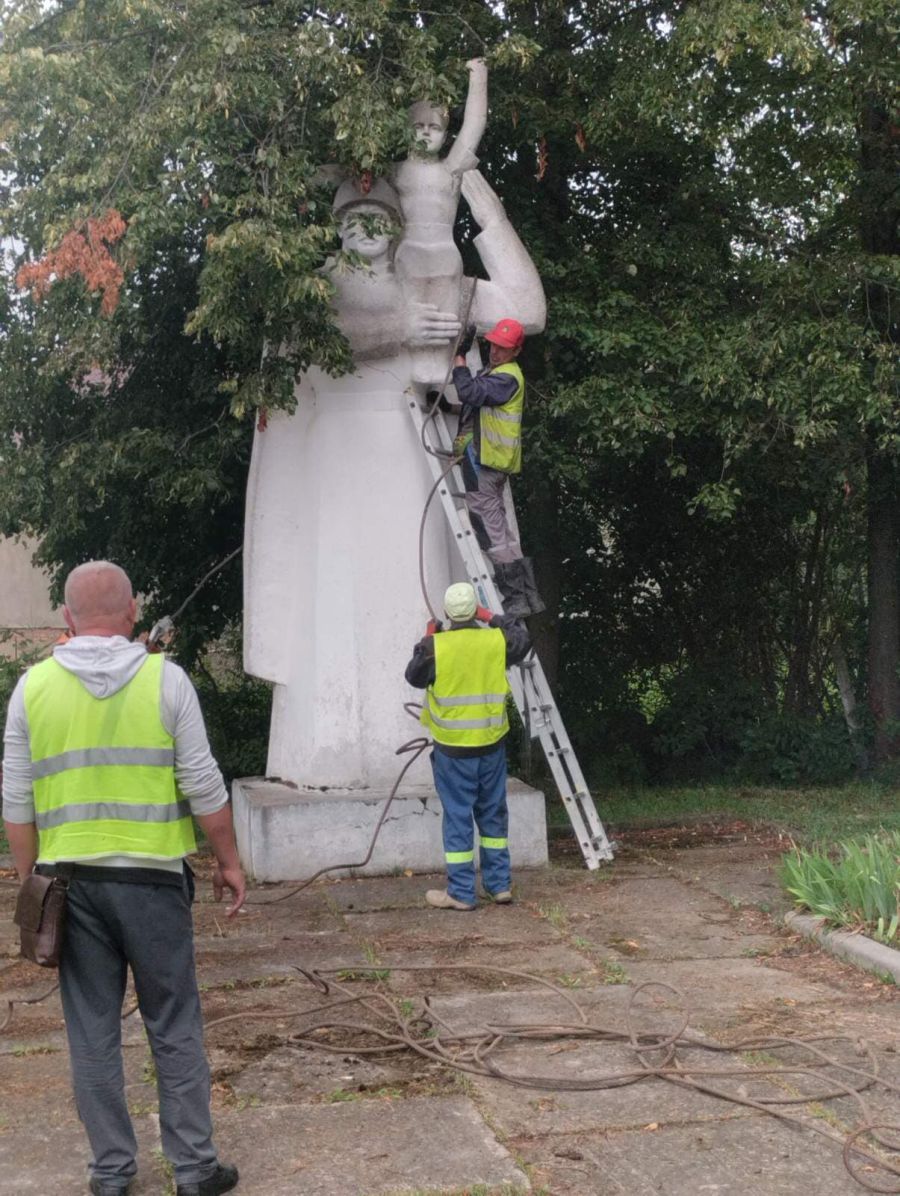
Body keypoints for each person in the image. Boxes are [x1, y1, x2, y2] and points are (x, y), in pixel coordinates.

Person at [2, 560, 244, 1196]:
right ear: (133, 611)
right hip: (154, 884)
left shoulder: (32, 689)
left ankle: (111, 1174)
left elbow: (17, 803)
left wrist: (34, 886)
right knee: (174, 1024)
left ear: (67, 618)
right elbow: (202, 783)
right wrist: (228, 861)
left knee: (91, 1034)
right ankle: (193, 1170)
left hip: (70, 887)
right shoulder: (168, 682)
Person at [405, 581, 530, 910]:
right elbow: (522, 640)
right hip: (491, 747)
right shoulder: (495, 640)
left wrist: (428, 638)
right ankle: (499, 885)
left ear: (447, 613)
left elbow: (414, 676)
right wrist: (493, 617)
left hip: (453, 751)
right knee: (492, 816)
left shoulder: (436, 646)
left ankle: (461, 892)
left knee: (458, 817)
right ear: (476, 610)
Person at [451, 318, 545, 618]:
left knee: (489, 531)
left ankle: (516, 599)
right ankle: (529, 597)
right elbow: (479, 406)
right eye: (493, 344)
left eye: (503, 348)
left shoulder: (507, 377)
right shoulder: (498, 374)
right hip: (491, 461)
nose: (495, 351)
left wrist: (459, 357)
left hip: (485, 462)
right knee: (503, 532)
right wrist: (446, 408)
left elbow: (471, 393)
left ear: (516, 350)